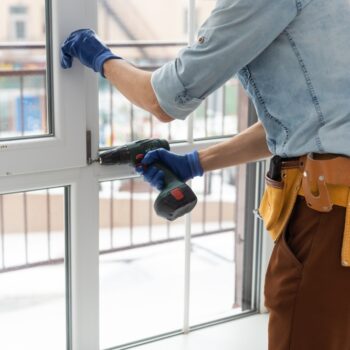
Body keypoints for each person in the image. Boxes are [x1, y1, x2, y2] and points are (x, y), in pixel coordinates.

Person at [61, 0, 350, 349]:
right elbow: (303, 126)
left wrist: (99, 57)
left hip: (329, 216)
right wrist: (195, 163)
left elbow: (162, 98)